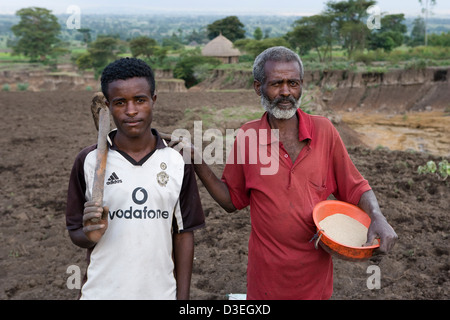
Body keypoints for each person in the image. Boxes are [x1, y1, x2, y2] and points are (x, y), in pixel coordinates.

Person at [186, 47, 397, 300]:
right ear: (258, 87)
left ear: (301, 85)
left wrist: (377, 216)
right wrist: (196, 159)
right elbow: (232, 201)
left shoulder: (324, 131)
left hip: (314, 280)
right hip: (266, 281)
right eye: (276, 83)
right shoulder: (248, 137)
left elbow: (356, 187)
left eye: (293, 83)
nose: (286, 92)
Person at [65, 57, 205, 300]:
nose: (131, 111)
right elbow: (76, 232)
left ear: (153, 100)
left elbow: (183, 235)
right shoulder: (88, 161)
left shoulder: (176, 161)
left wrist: (182, 300)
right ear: (107, 106)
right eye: (120, 102)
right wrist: (89, 234)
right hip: (100, 294)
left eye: (140, 100)